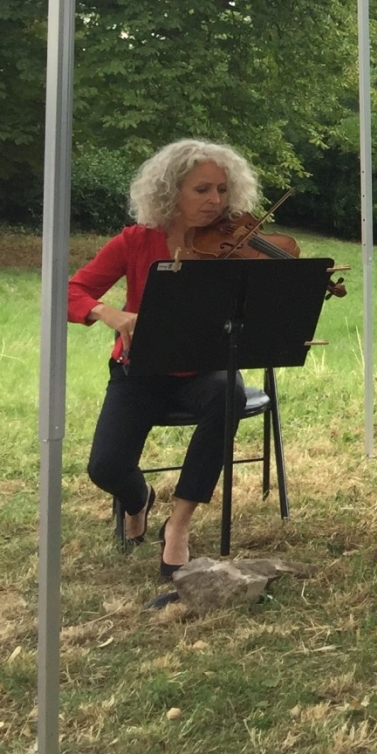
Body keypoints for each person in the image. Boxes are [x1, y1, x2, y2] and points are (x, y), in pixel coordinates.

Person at [69, 139, 262, 580]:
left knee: (227, 393)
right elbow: (71, 291)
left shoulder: (234, 246)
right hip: (140, 371)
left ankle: (178, 526)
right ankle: (139, 499)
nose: (215, 201)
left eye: (222, 190)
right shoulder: (136, 241)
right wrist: (109, 313)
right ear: (170, 191)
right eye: (201, 190)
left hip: (202, 370)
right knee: (106, 467)